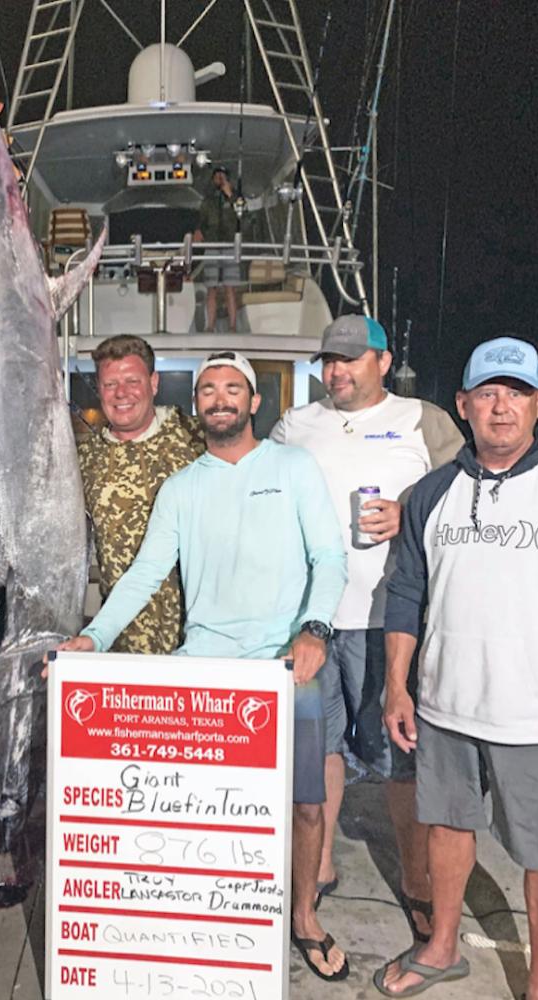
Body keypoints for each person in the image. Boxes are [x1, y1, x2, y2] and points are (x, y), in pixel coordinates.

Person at [58, 351, 351, 981]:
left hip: (286, 670)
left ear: (253, 402)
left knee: (305, 806)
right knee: (200, 811)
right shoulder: (181, 487)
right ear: (197, 406)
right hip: (205, 673)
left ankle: (304, 917)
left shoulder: (294, 467)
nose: (220, 398)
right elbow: (145, 573)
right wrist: (95, 637)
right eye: (209, 390)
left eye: (232, 389)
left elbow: (329, 558)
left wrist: (314, 630)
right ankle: (203, 930)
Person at [270, 315, 464, 941]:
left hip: (391, 622)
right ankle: (319, 864)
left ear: (383, 361)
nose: (337, 372)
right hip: (312, 621)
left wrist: (409, 511)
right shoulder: (294, 425)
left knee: (399, 758)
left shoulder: (423, 419)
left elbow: (465, 492)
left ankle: (415, 878)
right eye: (329, 360)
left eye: (351, 360)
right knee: (319, 749)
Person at [372, 337, 538, 998]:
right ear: (463, 404)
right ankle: (442, 947)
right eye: (489, 393)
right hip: (445, 704)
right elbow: (406, 592)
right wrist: (396, 686)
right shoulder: (432, 492)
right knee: (445, 827)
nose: (503, 407)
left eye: (518, 393)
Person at [78, 335, 205, 654]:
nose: (121, 393)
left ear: (154, 382)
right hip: (121, 641)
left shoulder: (194, 438)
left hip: (198, 641)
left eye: (132, 381)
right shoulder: (85, 458)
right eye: (110, 384)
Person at [193, 166, 243, 332]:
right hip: (212, 245)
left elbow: (243, 214)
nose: (219, 179)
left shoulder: (236, 197)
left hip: (230, 245)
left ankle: (233, 326)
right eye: (216, 176)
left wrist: (230, 196)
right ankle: (210, 326)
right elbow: (201, 221)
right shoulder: (208, 200)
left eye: (222, 176)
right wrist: (198, 231)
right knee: (211, 287)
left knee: (230, 287)